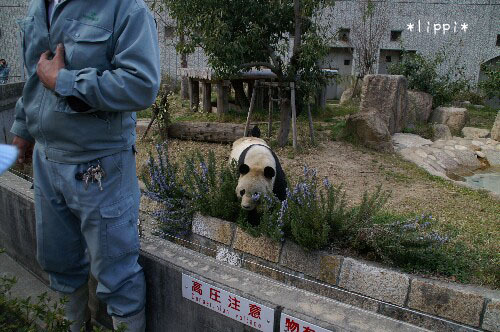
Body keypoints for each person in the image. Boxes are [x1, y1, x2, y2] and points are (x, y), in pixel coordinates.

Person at [11, 0, 160, 331]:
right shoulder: (41, 6)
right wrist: (23, 127)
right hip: (47, 162)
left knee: (117, 274)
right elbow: (35, 74)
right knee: (60, 265)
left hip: (100, 167)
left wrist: (65, 81)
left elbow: (142, 84)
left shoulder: (124, 9)